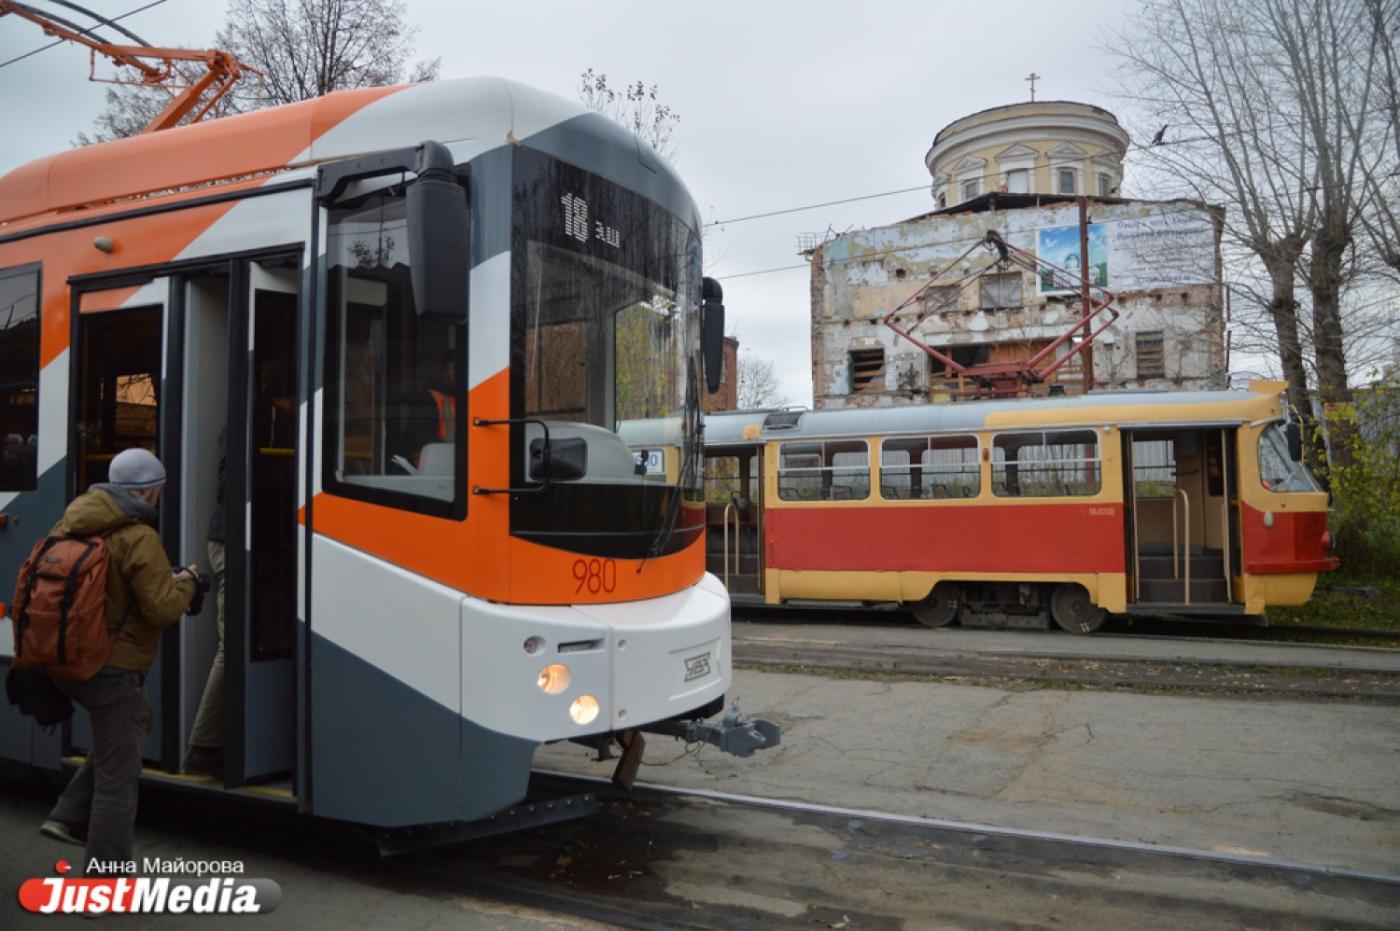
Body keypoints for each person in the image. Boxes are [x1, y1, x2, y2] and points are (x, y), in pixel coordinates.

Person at [39, 448, 199, 875]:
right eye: (159, 493)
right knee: (118, 782)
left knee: (122, 739)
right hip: (113, 669)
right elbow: (162, 609)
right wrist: (188, 582)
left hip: (67, 662)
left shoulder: (70, 524)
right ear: (147, 493)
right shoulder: (137, 536)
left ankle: (66, 814)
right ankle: (105, 884)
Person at [184, 427, 227, 779]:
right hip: (232, 541)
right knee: (232, 646)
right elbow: (229, 485)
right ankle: (203, 747)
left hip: (248, 539)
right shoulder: (248, 422)